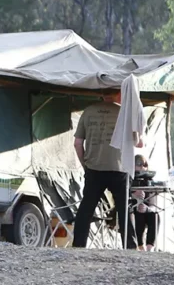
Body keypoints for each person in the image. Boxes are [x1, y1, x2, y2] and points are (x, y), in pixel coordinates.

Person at [71, 91, 142, 248]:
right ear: (119, 94)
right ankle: (131, 247)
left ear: (101, 93)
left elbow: (77, 143)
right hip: (119, 168)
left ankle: (78, 246)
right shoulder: (124, 114)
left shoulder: (88, 112)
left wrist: (85, 165)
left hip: (94, 167)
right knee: (124, 210)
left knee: (86, 209)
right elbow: (137, 143)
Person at [131, 154, 158, 251]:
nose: (142, 167)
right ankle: (139, 245)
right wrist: (133, 194)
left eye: (145, 165)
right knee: (136, 215)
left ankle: (150, 247)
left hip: (147, 209)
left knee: (155, 216)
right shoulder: (128, 179)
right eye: (139, 164)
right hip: (132, 209)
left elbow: (154, 205)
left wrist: (148, 209)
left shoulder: (149, 181)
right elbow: (120, 194)